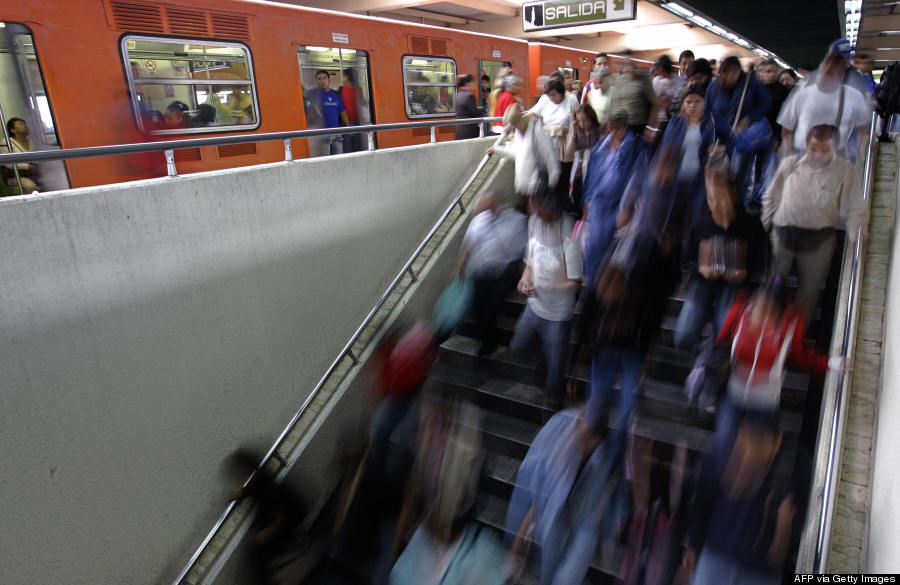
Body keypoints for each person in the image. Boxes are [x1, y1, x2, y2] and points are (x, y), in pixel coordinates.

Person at [762, 124, 867, 320]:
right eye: (813, 150)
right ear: (806, 146)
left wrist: (854, 237)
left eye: (824, 150)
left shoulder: (846, 172)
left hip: (818, 240)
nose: (818, 155)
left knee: (808, 294)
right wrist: (767, 223)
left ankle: (796, 335)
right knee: (774, 284)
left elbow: (855, 208)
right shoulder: (790, 164)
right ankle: (767, 327)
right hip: (784, 234)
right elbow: (770, 195)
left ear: (835, 149)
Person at [505, 407, 619, 585]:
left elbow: (588, 522)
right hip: (556, 524)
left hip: (577, 527)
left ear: (594, 439)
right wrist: (516, 551)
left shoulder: (598, 463)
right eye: (579, 424)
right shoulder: (564, 441)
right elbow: (538, 503)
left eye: (584, 431)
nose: (578, 433)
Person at [683, 421, 798, 585]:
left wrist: (785, 530)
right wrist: (694, 543)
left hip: (757, 571)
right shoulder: (725, 447)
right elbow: (703, 499)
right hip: (719, 559)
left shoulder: (789, 461)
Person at [674, 153, 766, 353]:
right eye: (710, 198)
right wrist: (701, 268)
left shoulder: (750, 225)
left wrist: (745, 273)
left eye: (719, 199)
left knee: (724, 334)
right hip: (704, 282)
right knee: (683, 336)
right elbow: (688, 257)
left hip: (734, 286)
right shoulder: (701, 223)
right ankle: (703, 358)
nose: (713, 205)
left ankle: (715, 361)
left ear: (733, 195)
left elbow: (761, 262)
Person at [509, 191, 582, 408]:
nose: (540, 225)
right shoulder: (534, 241)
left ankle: (554, 399)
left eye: (545, 220)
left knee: (556, 367)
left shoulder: (569, 247)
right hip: (535, 307)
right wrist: (523, 282)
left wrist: (552, 287)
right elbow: (529, 266)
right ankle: (544, 355)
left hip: (558, 315)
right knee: (518, 345)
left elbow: (576, 283)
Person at [454, 191, 527, 356]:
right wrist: (460, 265)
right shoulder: (479, 220)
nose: (480, 213)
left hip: (504, 272)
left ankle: (489, 343)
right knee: (477, 307)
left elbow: (520, 251)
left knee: (490, 305)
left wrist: (523, 277)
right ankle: (488, 339)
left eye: (484, 209)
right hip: (481, 272)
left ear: (493, 206)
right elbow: (469, 243)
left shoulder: (513, 220)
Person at [778, 40, 871, 164]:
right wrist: (789, 157)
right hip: (804, 155)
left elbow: (863, 129)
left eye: (846, 60)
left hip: (837, 156)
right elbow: (787, 128)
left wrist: (861, 156)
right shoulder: (804, 91)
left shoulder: (854, 91)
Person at [580, 114, 639, 291]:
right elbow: (591, 175)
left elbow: (636, 179)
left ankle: (611, 290)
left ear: (623, 128)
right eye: (609, 129)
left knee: (615, 252)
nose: (611, 133)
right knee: (594, 247)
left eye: (615, 128)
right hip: (599, 203)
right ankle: (593, 288)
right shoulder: (600, 147)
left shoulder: (633, 147)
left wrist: (627, 207)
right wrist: (588, 200)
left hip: (619, 204)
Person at [705, 56, 772, 197]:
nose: (723, 77)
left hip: (745, 137)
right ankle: (725, 204)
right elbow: (708, 112)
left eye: (728, 73)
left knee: (740, 175)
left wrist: (750, 117)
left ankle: (741, 204)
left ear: (737, 72)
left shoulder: (752, 84)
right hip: (723, 137)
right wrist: (712, 138)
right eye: (721, 73)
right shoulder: (714, 87)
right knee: (724, 174)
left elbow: (766, 103)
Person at [488, 104, 559, 198]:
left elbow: (548, 154)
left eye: (517, 125)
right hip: (525, 184)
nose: (516, 129)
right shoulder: (518, 133)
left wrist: (553, 177)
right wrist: (496, 150)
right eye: (514, 127)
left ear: (521, 120)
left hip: (537, 183)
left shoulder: (536, 130)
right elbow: (515, 153)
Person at [531, 78, 579, 207]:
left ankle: (561, 208)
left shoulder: (571, 100)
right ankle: (550, 207)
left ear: (561, 92)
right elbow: (533, 113)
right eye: (549, 95)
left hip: (564, 146)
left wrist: (564, 130)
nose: (551, 98)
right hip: (547, 144)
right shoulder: (545, 99)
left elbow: (577, 122)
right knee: (548, 178)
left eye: (554, 95)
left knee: (562, 178)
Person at [610, 56, 660, 137]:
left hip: (639, 126)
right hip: (621, 126)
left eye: (630, 65)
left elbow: (656, 104)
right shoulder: (619, 80)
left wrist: (651, 127)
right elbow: (614, 103)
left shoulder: (643, 80)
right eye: (624, 65)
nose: (628, 69)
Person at [304, 69, 349, 156]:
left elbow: (342, 111)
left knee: (339, 158)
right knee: (326, 159)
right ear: (316, 81)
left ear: (329, 80)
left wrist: (347, 127)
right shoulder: (313, 93)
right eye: (319, 78)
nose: (322, 81)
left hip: (337, 133)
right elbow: (301, 93)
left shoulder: (335, 94)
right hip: (323, 133)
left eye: (324, 78)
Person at [568, 104, 603, 212]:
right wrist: (573, 131)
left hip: (596, 167)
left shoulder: (599, 130)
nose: (582, 124)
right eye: (579, 121)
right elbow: (569, 150)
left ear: (591, 118)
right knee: (577, 192)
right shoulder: (577, 130)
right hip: (581, 167)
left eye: (584, 120)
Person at [1, 117, 40, 193]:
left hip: (33, 173)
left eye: (25, 124)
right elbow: (7, 163)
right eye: (20, 124)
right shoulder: (6, 142)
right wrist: (27, 167)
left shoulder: (31, 142)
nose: (25, 126)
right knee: (30, 186)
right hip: (16, 175)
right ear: (13, 130)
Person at [340, 69, 367, 152]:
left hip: (347, 122)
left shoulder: (341, 89)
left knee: (347, 148)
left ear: (347, 77)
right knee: (357, 147)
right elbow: (361, 105)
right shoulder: (359, 89)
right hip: (358, 122)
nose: (343, 78)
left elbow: (340, 107)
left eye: (344, 76)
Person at [454, 74, 482, 140]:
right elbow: (474, 113)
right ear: (467, 83)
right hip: (469, 132)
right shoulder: (469, 96)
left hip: (460, 131)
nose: (475, 84)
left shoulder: (458, 95)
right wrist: (481, 110)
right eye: (473, 82)